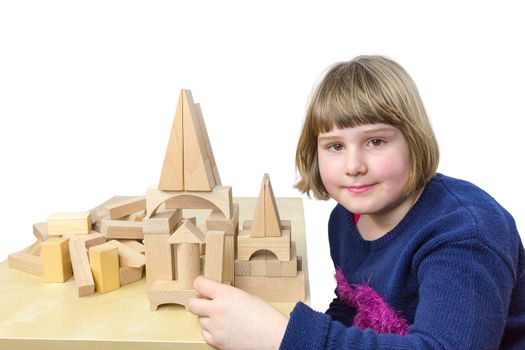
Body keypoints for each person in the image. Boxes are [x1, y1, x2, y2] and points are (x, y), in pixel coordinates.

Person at [188, 55, 525, 349]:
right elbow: (354, 306)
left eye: (375, 141)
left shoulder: (465, 234)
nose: (353, 166)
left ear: (414, 140)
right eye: (335, 146)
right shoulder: (346, 217)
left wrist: (280, 336)